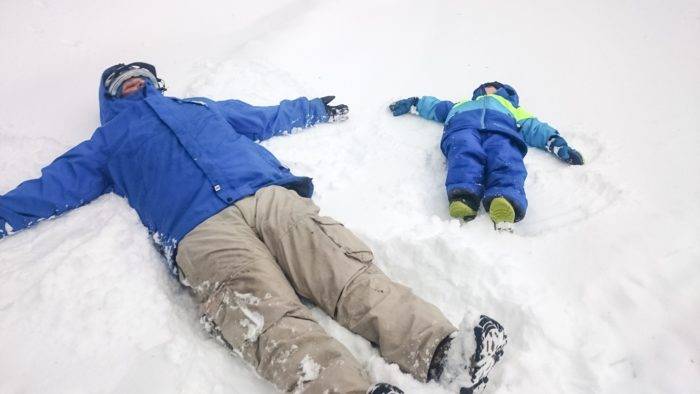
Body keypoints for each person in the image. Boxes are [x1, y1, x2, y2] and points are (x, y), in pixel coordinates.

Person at [0, 63, 507, 393]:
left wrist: (311, 108)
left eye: (139, 74)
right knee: (262, 311)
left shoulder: (198, 108)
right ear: (109, 96)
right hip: (198, 229)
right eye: (120, 80)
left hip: (268, 196)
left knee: (341, 268)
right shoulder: (105, 141)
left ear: (156, 81)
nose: (132, 81)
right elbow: (51, 186)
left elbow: (260, 118)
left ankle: (443, 354)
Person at [389, 82, 584, 231]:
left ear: (504, 92)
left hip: (501, 132)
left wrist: (556, 143)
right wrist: (414, 103)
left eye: (493, 87)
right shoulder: (461, 105)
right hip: (463, 129)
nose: (488, 89)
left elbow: (535, 127)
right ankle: (464, 198)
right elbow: (435, 107)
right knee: (464, 155)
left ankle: (505, 198)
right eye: (485, 87)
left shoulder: (513, 109)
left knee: (505, 158)